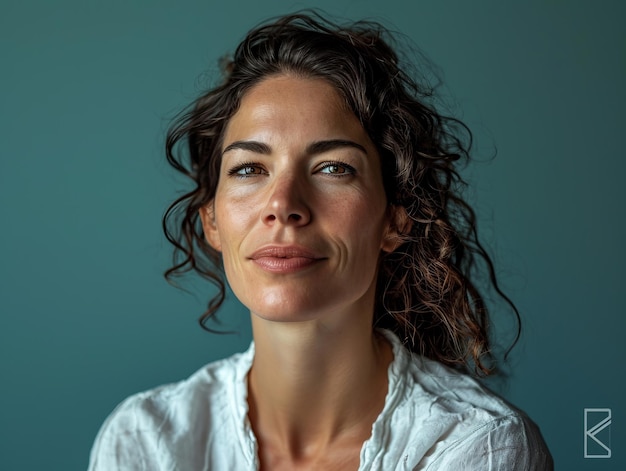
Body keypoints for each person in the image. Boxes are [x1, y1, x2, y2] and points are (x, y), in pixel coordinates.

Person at [88, 12, 553, 470]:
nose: (283, 204)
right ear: (211, 219)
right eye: (249, 169)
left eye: (334, 168)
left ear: (395, 220)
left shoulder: (477, 447)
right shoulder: (143, 441)